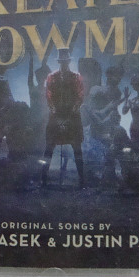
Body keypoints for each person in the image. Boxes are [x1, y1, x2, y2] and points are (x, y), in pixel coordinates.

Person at [41, 48, 85, 188]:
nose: (64, 64)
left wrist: (71, 114)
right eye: (62, 61)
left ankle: (82, 179)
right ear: (59, 62)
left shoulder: (76, 77)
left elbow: (80, 96)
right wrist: (56, 115)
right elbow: (48, 96)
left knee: (77, 147)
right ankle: (43, 179)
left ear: (69, 62)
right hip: (56, 115)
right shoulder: (51, 77)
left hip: (72, 116)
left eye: (66, 61)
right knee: (49, 146)